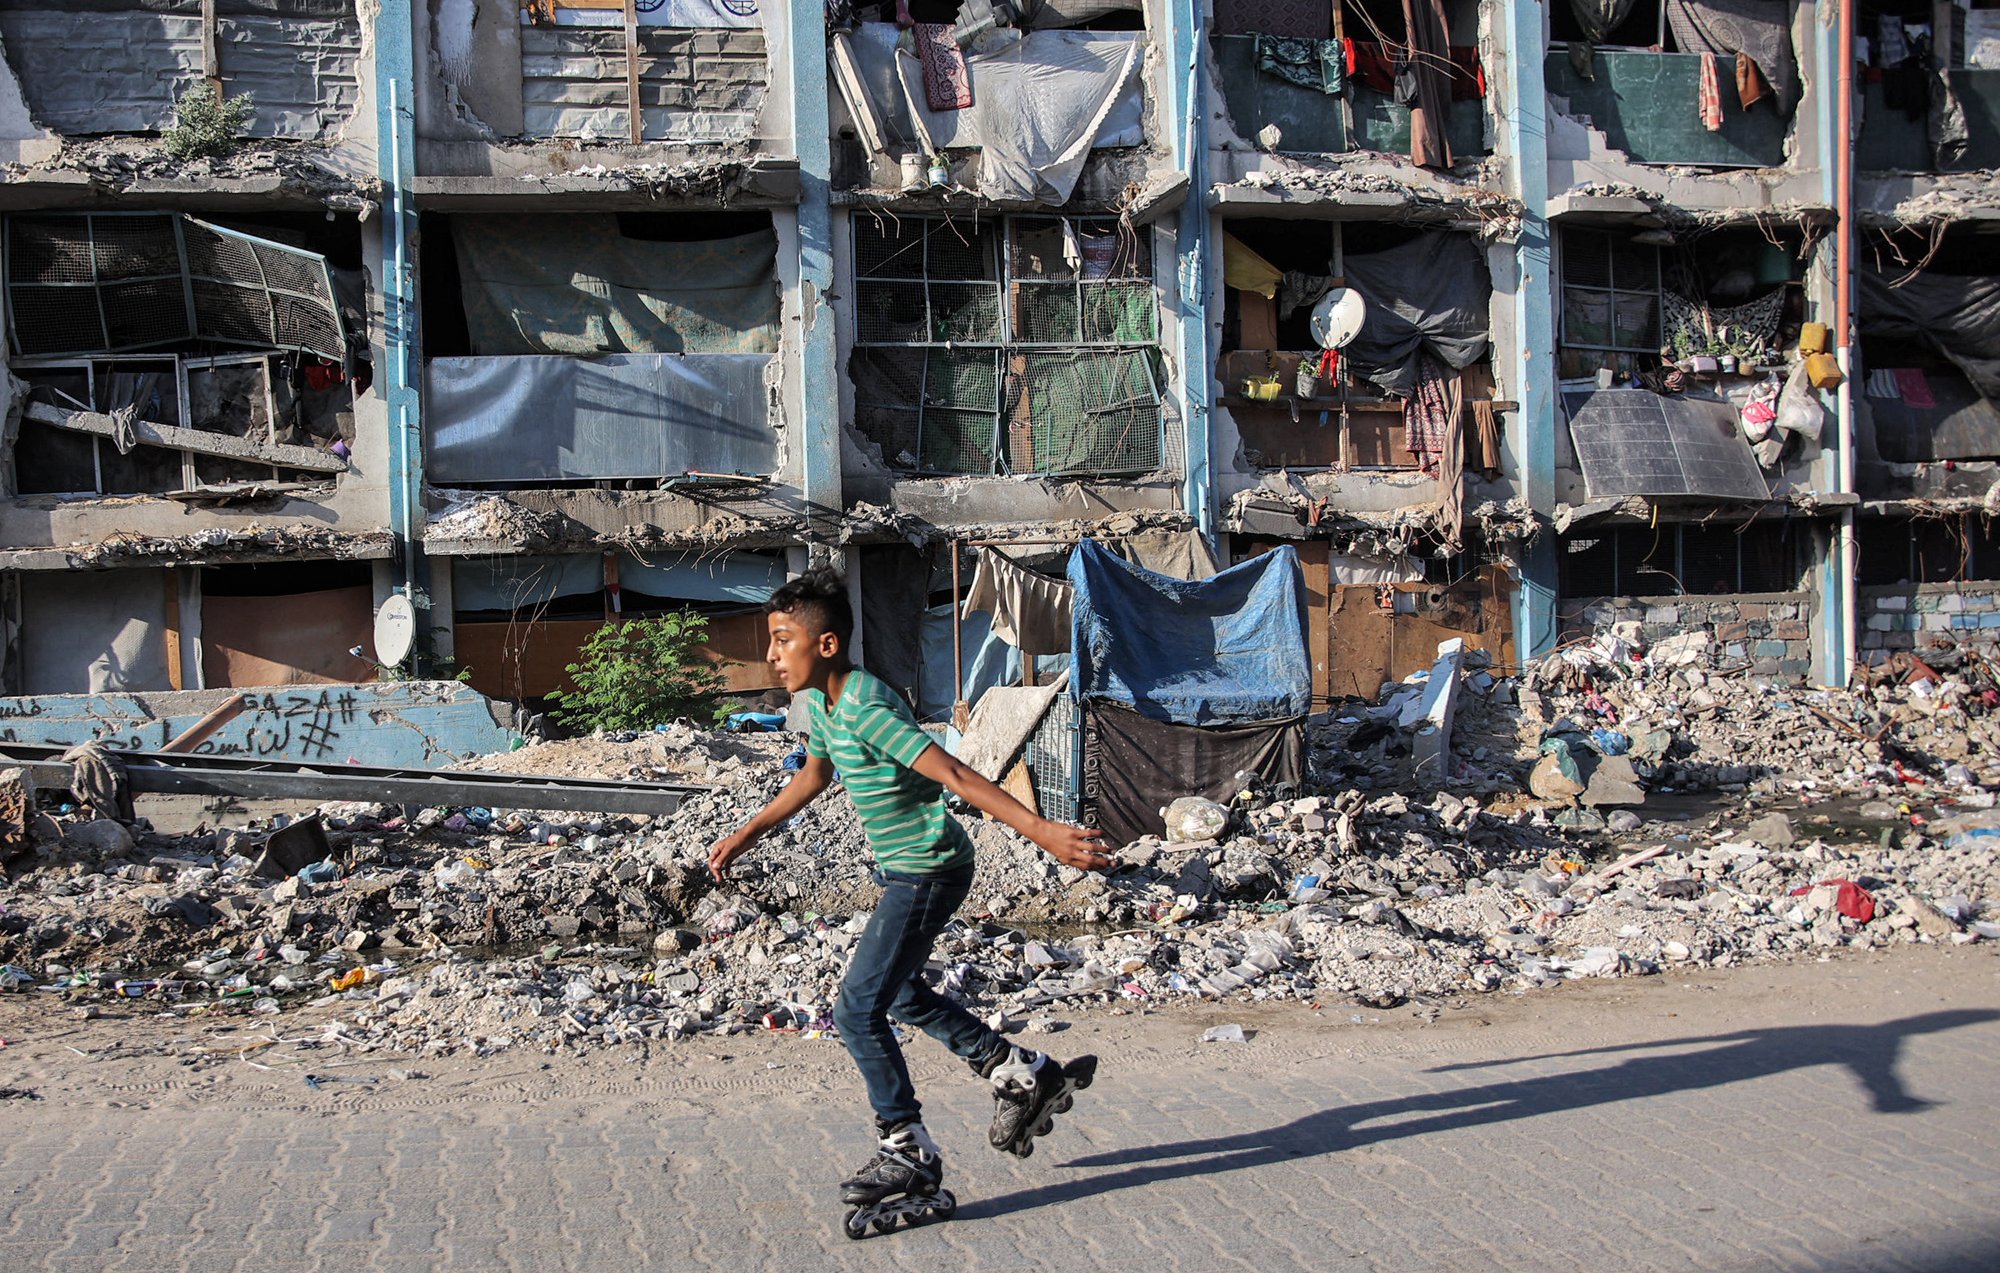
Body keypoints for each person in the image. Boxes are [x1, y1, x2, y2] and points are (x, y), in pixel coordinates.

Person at [709, 568, 1115, 1224]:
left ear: (828, 644)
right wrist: (746, 832)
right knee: (894, 994)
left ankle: (907, 1147)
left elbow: (953, 770)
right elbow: (815, 772)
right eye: (772, 641)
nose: (771, 654)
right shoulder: (824, 705)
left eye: (784, 640)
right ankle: (1019, 1070)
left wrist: (1044, 831)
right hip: (907, 869)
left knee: (855, 1010)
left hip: (928, 866)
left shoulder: (866, 704)